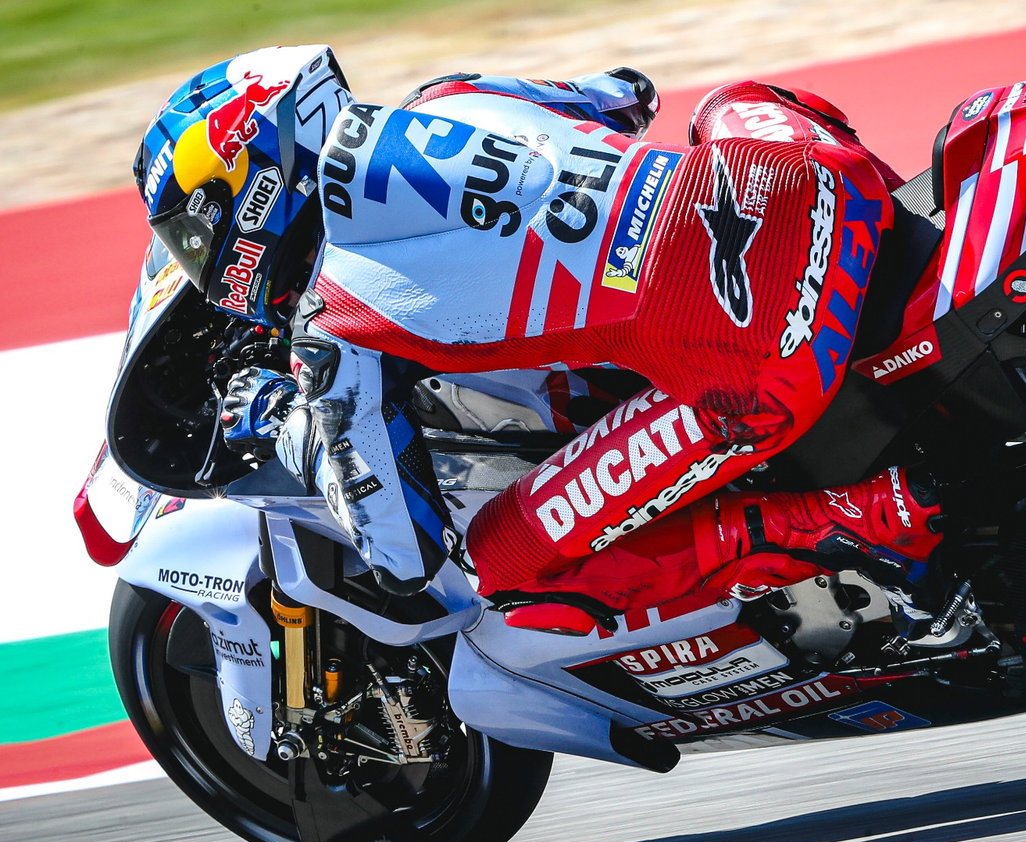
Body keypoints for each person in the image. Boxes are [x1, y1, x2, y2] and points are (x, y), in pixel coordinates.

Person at [134, 44, 943, 633]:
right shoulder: (452, 95)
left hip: (761, 355)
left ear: (249, 188)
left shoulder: (334, 316)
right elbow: (624, 95)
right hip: (815, 183)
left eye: (194, 239)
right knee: (729, 98)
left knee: (503, 561)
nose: (203, 264)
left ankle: (880, 511)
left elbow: (405, 555)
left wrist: (284, 419)